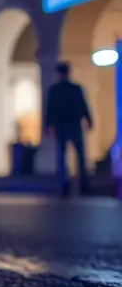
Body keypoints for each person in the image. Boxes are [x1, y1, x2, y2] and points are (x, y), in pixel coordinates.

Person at [44, 61, 92, 196]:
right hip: (73, 123)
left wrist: (48, 125)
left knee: (63, 155)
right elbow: (83, 106)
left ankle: (65, 183)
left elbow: (50, 109)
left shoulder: (55, 90)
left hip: (63, 124)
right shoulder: (75, 88)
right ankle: (83, 184)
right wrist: (88, 120)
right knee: (80, 155)